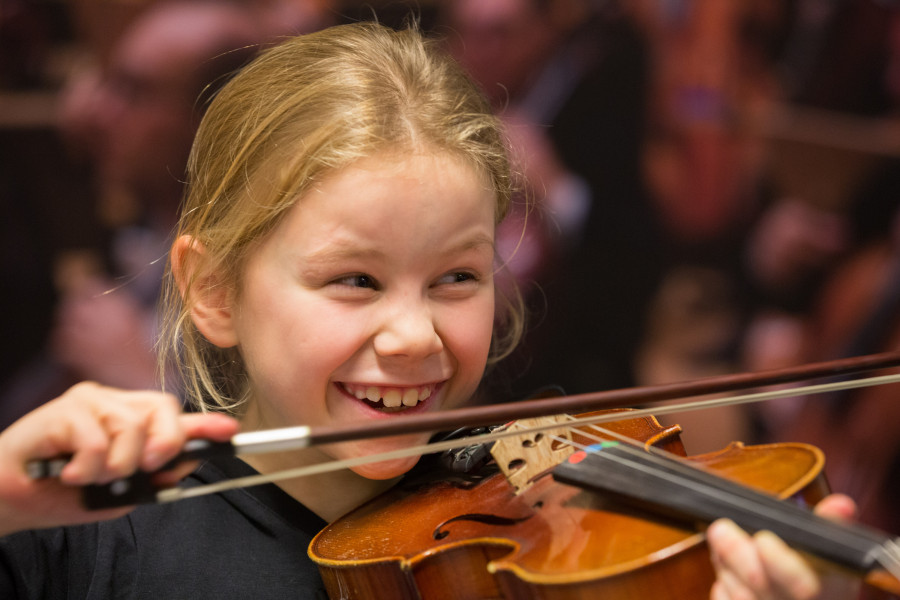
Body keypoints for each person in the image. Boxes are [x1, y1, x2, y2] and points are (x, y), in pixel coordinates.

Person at [0, 22, 858, 599]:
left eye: (456, 279)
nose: (416, 337)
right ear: (214, 291)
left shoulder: (538, 540)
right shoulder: (96, 540)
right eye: (356, 282)